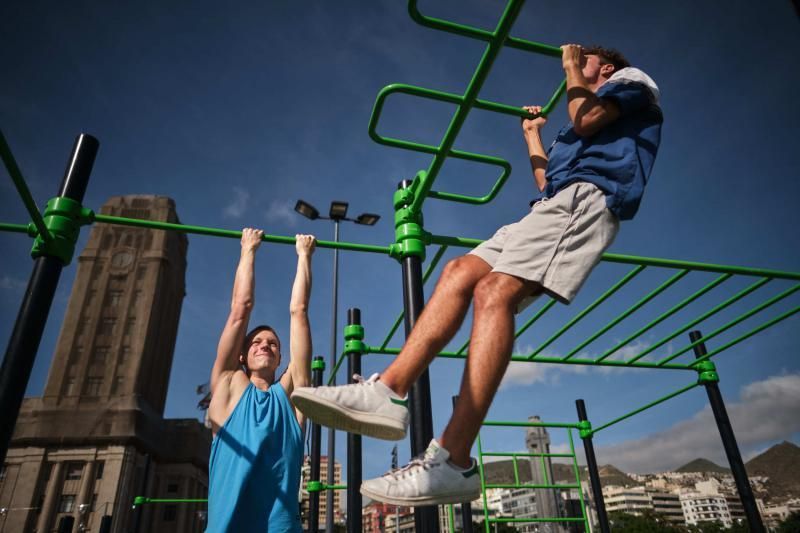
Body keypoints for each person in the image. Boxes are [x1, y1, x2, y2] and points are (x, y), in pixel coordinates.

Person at [292, 43, 663, 506]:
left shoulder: (630, 83)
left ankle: (454, 460)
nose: (572, 63)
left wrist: (572, 67)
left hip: (588, 200)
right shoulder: (579, 114)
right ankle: (388, 390)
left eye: (583, 58)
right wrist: (532, 135)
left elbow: (587, 120)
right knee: (459, 271)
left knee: (495, 291)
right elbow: (549, 182)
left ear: (604, 66)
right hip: (552, 205)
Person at [206, 228, 316, 532]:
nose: (264, 345)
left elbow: (299, 312)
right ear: (242, 356)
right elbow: (240, 311)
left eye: (272, 343)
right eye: (255, 342)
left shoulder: (293, 396)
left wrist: (304, 256)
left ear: (280, 359)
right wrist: (248, 249)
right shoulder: (228, 384)